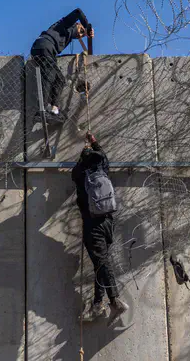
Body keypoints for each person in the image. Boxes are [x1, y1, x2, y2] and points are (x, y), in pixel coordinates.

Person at [71, 132, 129, 322]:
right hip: (108, 223)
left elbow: (76, 171)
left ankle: (114, 300)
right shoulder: (102, 168)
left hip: (92, 226)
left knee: (102, 263)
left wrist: (83, 153)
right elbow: (102, 155)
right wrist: (93, 142)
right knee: (99, 264)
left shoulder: (80, 175)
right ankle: (97, 304)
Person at [30, 8, 94, 124]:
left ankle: (55, 111)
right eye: (81, 31)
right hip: (43, 47)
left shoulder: (68, 36)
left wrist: (85, 34)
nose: (80, 35)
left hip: (48, 52)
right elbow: (78, 12)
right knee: (49, 74)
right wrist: (87, 27)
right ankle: (41, 110)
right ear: (77, 25)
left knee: (59, 79)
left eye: (81, 35)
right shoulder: (66, 24)